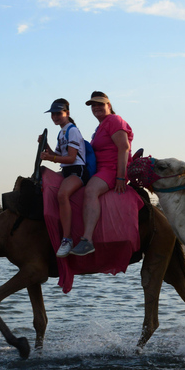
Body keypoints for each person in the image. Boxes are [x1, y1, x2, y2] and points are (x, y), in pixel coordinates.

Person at [69, 91, 133, 256]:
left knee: (91, 191)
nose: (96, 107)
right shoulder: (100, 127)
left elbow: (124, 147)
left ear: (109, 106)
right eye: (93, 105)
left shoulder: (114, 120)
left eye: (100, 104)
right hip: (100, 169)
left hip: (112, 169)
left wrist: (120, 177)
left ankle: (87, 240)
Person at [39, 98, 90, 258]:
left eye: (58, 113)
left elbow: (71, 158)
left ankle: (67, 239)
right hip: (67, 170)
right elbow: (59, 155)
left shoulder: (72, 130)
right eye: (53, 114)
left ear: (67, 113)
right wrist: (46, 148)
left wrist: (49, 158)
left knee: (62, 194)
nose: (55, 117)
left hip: (77, 171)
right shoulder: (62, 132)